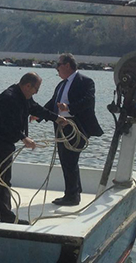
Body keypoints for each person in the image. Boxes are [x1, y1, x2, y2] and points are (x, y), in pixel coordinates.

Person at [0, 73, 66, 224]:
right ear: (28, 86)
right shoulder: (9, 97)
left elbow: (36, 109)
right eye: (36, 89)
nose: (36, 92)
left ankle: (6, 215)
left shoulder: (24, 97)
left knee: (5, 180)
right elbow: (6, 123)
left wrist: (56, 118)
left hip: (5, 142)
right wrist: (23, 137)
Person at [44, 53, 103, 206]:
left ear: (67, 65)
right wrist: (39, 114)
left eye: (58, 65)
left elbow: (88, 101)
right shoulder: (61, 84)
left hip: (75, 126)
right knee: (66, 160)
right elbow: (53, 102)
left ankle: (72, 196)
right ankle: (74, 191)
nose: (56, 69)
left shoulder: (85, 81)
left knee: (70, 160)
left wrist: (69, 108)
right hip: (61, 125)